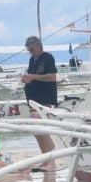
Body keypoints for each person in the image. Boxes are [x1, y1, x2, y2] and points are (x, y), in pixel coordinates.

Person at [22, 35, 59, 171]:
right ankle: (45, 159)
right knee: (36, 131)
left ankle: (51, 161)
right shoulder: (32, 59)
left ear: (38, 46)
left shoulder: (47, 58)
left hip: (44, 98)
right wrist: (27, 79)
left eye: (32, 49)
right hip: (33, 98)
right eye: (29, 50)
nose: (31, 52)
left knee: (42, 130)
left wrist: (34, 77)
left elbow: (52, 77)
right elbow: (33, 77)